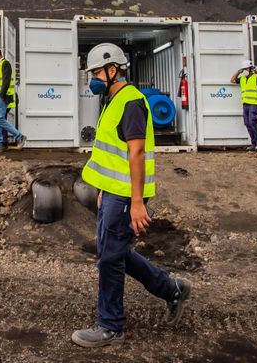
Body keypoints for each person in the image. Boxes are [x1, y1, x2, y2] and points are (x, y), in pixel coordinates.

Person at [72, 43, 192, 349]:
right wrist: (102, 189)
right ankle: (171, 288)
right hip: (113, 192)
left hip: (127, 196)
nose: (93, 78)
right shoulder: (113, 101)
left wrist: (137, 203)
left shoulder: (132, 102)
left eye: (97, 72)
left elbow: (136, 152)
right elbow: (110, 155)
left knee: (110, 257)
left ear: (113, 70)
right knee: (115, 251)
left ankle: (110, 325)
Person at [0, 45, 26, 151]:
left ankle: (19, 136)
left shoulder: (5, 64)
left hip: (2, 95)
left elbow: (6, 81)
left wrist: (2, 96)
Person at [231, 59, 257, 151]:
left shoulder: (256, 77)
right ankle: (254, 143)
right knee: (247, 123)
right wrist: (238, 72)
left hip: (255, 103)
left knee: (252, 122)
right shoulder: (242, 78)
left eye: (246, 69)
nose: (244, 71)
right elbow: (232, 80)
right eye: (243, 69)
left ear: (251, 69)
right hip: (246, 104)